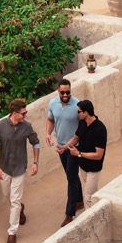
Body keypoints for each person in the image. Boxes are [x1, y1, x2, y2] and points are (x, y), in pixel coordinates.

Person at [0, 98, 40, 243]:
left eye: (26, 112)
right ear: (14, 113)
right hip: (4, 168)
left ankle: (12, 232)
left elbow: (36, 142)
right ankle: (20, 209)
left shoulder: (27, 127)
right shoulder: (0, 126)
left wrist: (35, 162)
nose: (25, 115)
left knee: (15, 200)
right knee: (8, 197)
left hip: (19, 168)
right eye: (23, 113)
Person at [45, 79, 81, 226]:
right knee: (71, 175)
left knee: (71, 179)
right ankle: (79, 200)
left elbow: (81, 130)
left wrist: (69, 145)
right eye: (63, 92)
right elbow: (50, 120)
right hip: (60, 147)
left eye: (68, 92)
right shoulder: (53, 103)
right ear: (58, 91)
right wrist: (48, 134)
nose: (65, 95)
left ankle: (69, 214)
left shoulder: (77, 105)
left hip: (73, 148)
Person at [69, 99, 107, 205]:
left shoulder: (100, 129)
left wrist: (78, 154)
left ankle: (90, 215)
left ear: (86, 112)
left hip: (94, 168)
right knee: (93, 193)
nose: (78, 113)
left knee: (88, 198)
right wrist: (64, 147)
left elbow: (99, 155)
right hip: (83, 166)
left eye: (79, 111)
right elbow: (75, 138)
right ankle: (101, 207)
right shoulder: (82, 123)